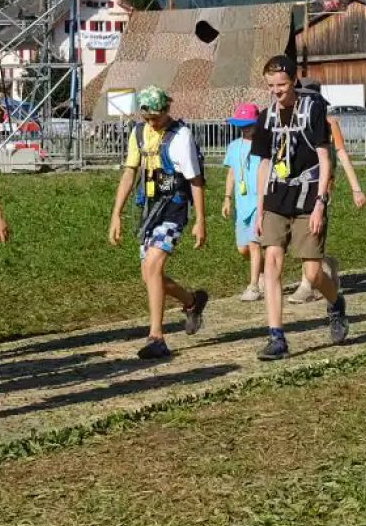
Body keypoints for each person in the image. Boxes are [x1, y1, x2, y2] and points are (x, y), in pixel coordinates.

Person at [253, 54, 348, 360]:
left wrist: (320, 204)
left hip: (308, 195)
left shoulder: (313, 109)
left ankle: (335, 304)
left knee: (313, 272)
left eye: (281, 84)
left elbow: (324, 158)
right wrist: (259, 207)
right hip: (277, 196)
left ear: (293, 80)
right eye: (271, 86)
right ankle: (276, 336)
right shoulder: (265, 117)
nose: (276, 91)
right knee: (273, 262)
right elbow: (264, 163)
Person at [108, 86, 208, 361]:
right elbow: (130, 172)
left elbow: (195, 180)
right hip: (149, 209)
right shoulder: (138, 133)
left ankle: (156, 337)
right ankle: (191, 301)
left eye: (157, 117)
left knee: (153, 266)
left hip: (174, 208)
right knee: (150, 276)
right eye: (148, 117)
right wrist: (116, 213)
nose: (152, 122)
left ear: (166, 110)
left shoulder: (181, 137)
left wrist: (201, 220)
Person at [288, 81, 363, 304]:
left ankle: (307, 285)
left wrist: (356, 188)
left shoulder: (330, 124)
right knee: (298, 236)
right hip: (294, 187)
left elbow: (342, 155)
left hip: (320, 187)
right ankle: (326, 263)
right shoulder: (292, 122)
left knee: (311, 231)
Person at [222, 102, 264, 300]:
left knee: (255, 244)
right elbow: (231, 172)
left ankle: (254, 285)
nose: (245, 129)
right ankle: (263, 271)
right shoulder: (233, 147)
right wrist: (227, 198)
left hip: (260, 203)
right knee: (243, 248)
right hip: (242, 203)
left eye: (249, 125)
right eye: (242, 125)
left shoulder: (263, 146)